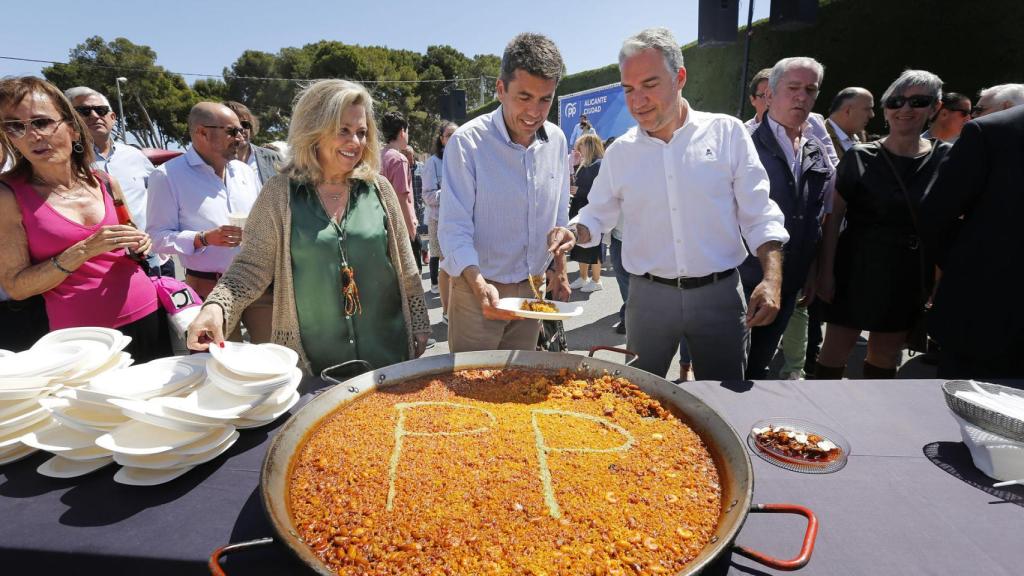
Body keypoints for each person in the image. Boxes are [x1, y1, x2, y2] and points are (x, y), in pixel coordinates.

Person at [565, 28, 789, 380]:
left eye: (649, 84)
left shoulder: (727, 133)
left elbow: (759, 212)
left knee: (722, 400)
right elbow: (596, 214)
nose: (637, 101)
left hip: (720, 297)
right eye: (628, 89)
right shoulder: (621, 152)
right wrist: (573, 232)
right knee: (637, 399)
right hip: (647, 299)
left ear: (679, 77)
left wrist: (773, 280)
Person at [186, 79, 430, 374]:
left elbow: (406, 266)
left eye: (361, 132)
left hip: (389, 353)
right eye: (343, 130)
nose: (355, 142)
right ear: (314, 130)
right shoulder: (279, 194)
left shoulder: (379, 189)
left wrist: (418, 321)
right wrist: (216, 307)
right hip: (317, 367)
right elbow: (251, 267)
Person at [0, 76, 169, 361]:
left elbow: (131, 238)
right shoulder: (8, 195)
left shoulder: (105, 181)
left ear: (73, 129)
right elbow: (16, 287)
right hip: (78, 338)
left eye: (41, 122)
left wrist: (141, 242)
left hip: (147, 311)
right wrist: (84, 250)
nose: (32, 136)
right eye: (16, 127)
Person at [439, 33, 571, 353]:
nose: (535, 112)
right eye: (524, 97)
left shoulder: (557, 141)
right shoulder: (468, 143)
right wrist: (477, 284)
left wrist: (560, 265)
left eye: (545, 99)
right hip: (476, 290)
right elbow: (454, 228)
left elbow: (558, 218)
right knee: (472, 389)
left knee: (519, 386)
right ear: (500, 89)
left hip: (532, 290)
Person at [815, 70, 951, 379]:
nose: (905, 110)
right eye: (895, 102)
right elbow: (833, 219)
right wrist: (825, 272)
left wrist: (939, 280)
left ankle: (869, 421)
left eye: (918, 101)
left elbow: (948, 223)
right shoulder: (859, 157)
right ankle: (819, 421)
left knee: (886, 355)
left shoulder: (946, 159)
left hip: (908, 271)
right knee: (835, 350)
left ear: (935, 108)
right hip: (856, 266)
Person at [742, 57, 835, 380]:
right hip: (743, 277)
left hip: (791, 278)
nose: (801, 97)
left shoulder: (815, 150)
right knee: (730, 368)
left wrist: (810, 269)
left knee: (758, 365)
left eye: (810, 90)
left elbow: (815, 216)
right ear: (770, 95)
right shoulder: (744, 145)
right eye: (793, 88)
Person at [146, 102, 269, 342]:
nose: (240, 137)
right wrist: (202, 238)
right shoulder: (167, 176)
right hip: (207, 288)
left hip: (257, 283)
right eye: (232, 131)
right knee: (222, 364)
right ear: (202, 132)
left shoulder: (243, 171)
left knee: (274, 353)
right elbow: (156, 238)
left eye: (242, 130)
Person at [919, 103, 1024, 378]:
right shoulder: (991, 132)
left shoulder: (993, 131)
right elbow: (938, 214)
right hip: (988, 315)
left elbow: (936, 215)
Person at [64, 86, 170, 277]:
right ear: (69, 120)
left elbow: (161, 200)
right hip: (100, 265)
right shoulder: (64, 163)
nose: (94, 115)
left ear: (113, 117)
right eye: (84, 111)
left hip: (150, 257)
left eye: (101, 110)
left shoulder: (135, 156)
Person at [422, 121, 457, 317]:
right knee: (447, 266)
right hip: (440, 221)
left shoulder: (466, 158)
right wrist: (450, 192)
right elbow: (427, 196)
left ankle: (458, 309)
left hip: (463, 220)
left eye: (456, 134)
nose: (453, 138)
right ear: (442, 139)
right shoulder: (433, 163)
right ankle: (446, 312)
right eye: (449, 135)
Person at [379, 111, 420, 272]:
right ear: (402, 132)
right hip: (401, 226)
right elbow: (402, 198)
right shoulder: (399, 159)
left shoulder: (380, 155)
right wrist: (411, 231)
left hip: (384, 226)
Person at [568, 133, 605, 293]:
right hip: (580, 209)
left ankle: (597, 280)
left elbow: (602, 192)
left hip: (593, 212)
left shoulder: (599, 164)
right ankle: (583, 277)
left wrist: (580, 190)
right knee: (580, 244)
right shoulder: (585, 164)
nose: (577, 149)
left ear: (589, 145)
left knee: (594, 246)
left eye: (580, 145)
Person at [224, 101, 282, 187]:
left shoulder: (273, 158)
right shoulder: (212, 161)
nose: (240, 129)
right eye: (232, 126)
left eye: (244, 124)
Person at [825, 87, 875, 158]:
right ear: (848, 111)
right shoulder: (819, 138)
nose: (872, 115)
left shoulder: (861, 137)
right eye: (867, 109)